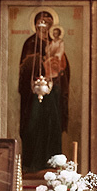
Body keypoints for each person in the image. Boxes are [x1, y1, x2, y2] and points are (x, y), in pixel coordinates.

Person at [18, 10, 70, 173]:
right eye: (40, 23)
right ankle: (31, 162)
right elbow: (24, 67)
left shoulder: (55, 42)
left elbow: (65, 70)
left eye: (47, 23)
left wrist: (57, 66)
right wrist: (38, 61)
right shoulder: (30, 43)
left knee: (52, 125)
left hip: (53, 94)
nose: (43, 27)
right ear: (35, 25)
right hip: (32, 95)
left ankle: (52, 162)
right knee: (32, 125)